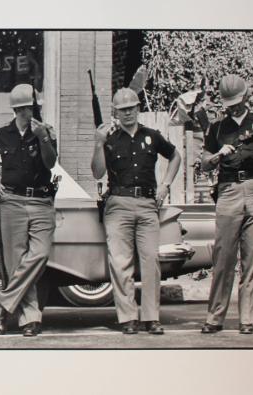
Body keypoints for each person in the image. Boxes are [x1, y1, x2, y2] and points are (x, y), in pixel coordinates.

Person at [91, 87, 181, 335]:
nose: (128, 113)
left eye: (131, 108)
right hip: (118, 203)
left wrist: (165, 185)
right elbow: (97, 172)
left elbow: (175, 156)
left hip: (147, 204)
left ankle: (151, 317)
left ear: (138, 109)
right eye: (122, 110)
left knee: (151, 261)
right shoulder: (108, 138)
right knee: (120, 263)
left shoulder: (152, 135)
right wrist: (98, 144)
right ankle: (128, 318)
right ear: (115, 113)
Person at [0, 83, 58, 337]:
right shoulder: (2, 133)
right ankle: (29, 319)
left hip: (41, 201)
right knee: (16, 262)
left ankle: (4, 300)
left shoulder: (45, 131)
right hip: (12, 202)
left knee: (39, 254)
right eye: (21, 110)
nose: (25, 114)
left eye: (29, 109)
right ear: (15, 110)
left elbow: (51, 163)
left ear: (35, 108)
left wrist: (42, 137)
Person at [201, 74, 253, 335]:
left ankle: (247, 318)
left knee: (251, 258)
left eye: (237, 102)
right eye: (229, 104)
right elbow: (203, 163)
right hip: (228, 190)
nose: (233, 107)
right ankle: (215, 317)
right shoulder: (216, 128)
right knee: (223, 257)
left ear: (245, 97)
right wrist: (217, 156)